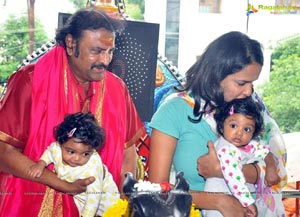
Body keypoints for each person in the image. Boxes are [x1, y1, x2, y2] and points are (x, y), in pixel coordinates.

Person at [0, 8, 144, 216]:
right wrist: (61, 184)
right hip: (31, 205)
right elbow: (4, 152)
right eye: (96, 51)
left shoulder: (117, 89)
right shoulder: (31, 81)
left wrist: (121, 205)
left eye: (110, 51)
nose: (105, 60)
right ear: (70, 44)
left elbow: (126, 155)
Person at [148, 31, 287, 217]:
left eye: (252, 83)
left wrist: (221, 171)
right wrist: (219, 201)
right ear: (216, 74)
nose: (248, 91)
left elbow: (274, 171)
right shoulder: (174, 110)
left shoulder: (250, 110)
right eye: (241, 83)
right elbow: (157, 188)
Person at [28, 112, 120, 217]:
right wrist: (41, 164)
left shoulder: (92, 169)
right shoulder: (57, 148)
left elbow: (94, 199)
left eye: (85, 154)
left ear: (92, 150)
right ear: (61, 143)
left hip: (103, 200)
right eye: (71, 152)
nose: (77, 158)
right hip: (79, 197)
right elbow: (49, 152)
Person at [202, 97, 279, 217]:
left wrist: (271, 168)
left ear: (253, 134)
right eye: (233, 126)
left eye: (247, 129)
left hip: (238, 202)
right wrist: (248, 202)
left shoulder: (247, 145)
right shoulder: (225, 148)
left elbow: (267, 153)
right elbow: (234, 176)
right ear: (222, 126)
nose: (239, 133)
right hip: (218, 207)